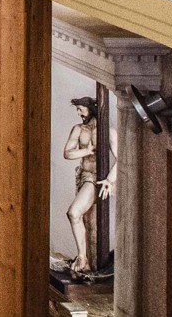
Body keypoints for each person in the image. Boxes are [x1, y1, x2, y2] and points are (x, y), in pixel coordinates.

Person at [63, 96, 109, 277]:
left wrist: (110, 180)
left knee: (74, 213)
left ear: (91, 109)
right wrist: (86, 151)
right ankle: (85, 260)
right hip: (83, 176)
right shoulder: (78, 129)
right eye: (77, 109)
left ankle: (83, 258)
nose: (79, 112)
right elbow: (67, 153)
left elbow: (120, 157)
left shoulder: (104, 131)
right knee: (83, 218)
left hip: (95, 178)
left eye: (81, 108)